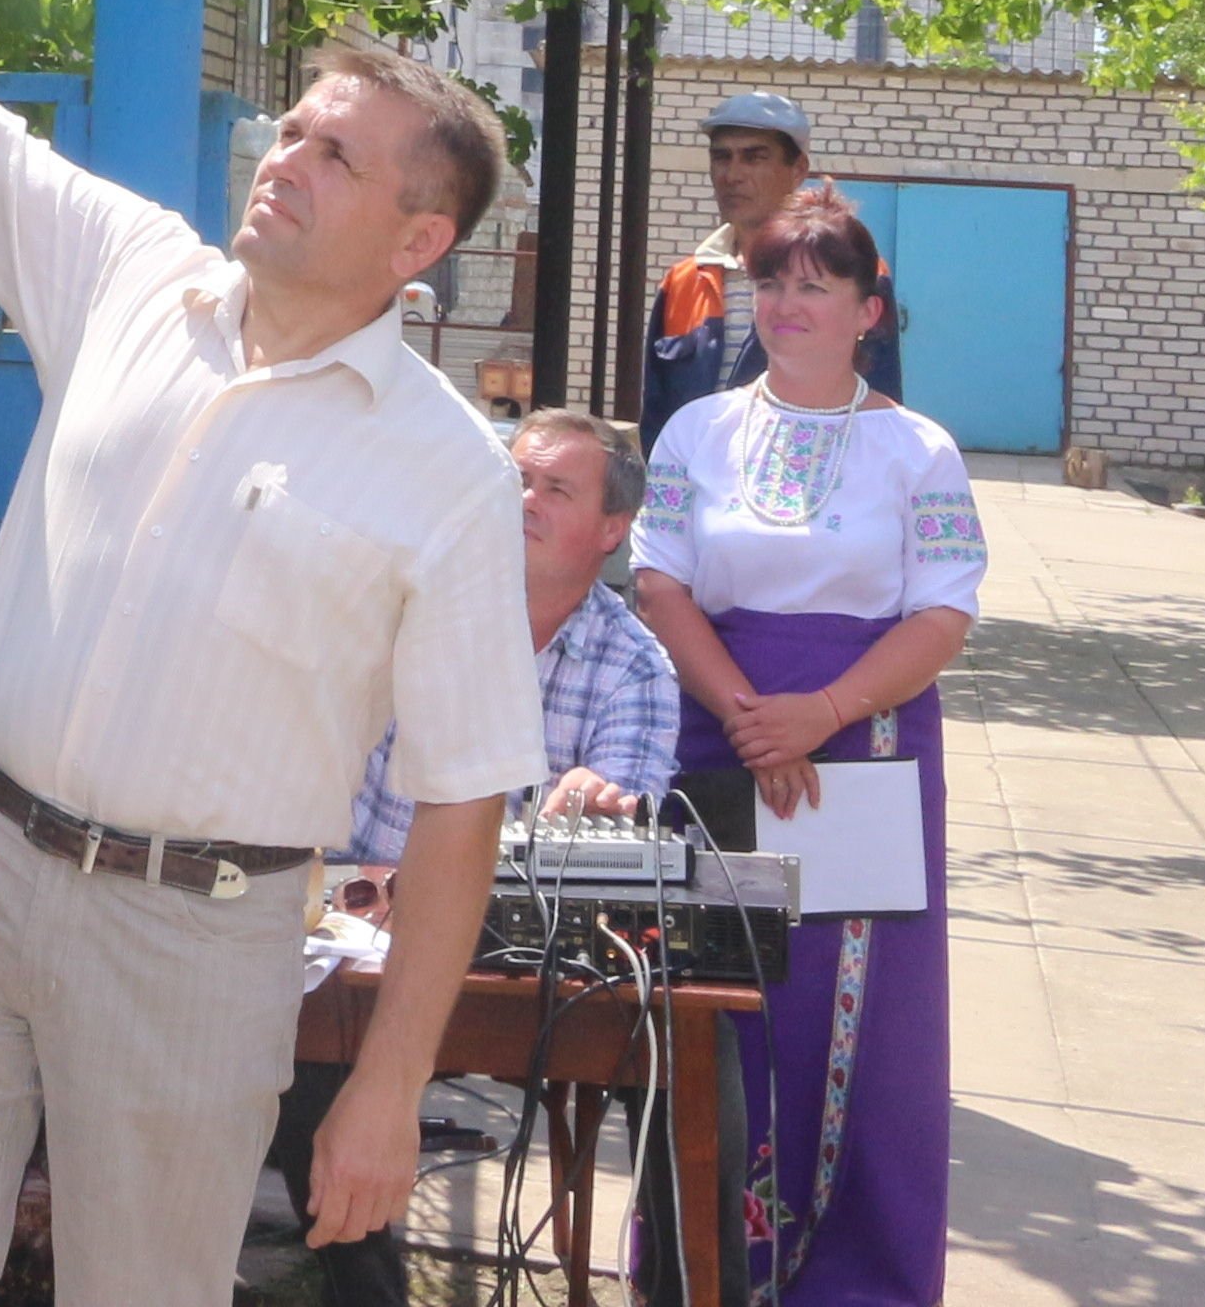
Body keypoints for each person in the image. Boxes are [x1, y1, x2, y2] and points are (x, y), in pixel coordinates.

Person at [0, 0, 541, 1307]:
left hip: (197, 934)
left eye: (335, 156)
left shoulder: (451, 471)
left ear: (420, 240)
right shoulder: (134, 273)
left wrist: (390, 1089)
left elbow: (465, 803)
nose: (285, 158)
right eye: (292, 129)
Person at [626, 198, 980, 1306]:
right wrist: (746, 714)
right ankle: (703, 1269)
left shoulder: (917, 449)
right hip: (720, 732)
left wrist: (818, 713)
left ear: (868, 312)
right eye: (772, 282)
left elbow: (945, 615)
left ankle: (859, 1282)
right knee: (721, 1004)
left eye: (814, 287)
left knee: (862, 1029)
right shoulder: (697, 434)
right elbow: (658, 581)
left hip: (862, 748)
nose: (785, 306)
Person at [264, 410, 683, 1307]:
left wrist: (593, 808)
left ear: (612, 531)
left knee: (687, 1063)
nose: (523, 500)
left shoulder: (634, 667)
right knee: (293, 1066)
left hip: (502, 953)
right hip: (348, 926)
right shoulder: (404, 607)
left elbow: (622, 817)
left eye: (554, 489)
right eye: (514, 481)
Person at [639, 92, 901, 449]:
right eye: (722, 157)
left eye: (754, 157)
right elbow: (657, 413)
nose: (733, 175)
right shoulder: (685, 280)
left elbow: (878, 399)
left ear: (798, 170)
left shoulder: (852, 271)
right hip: (698, 489)